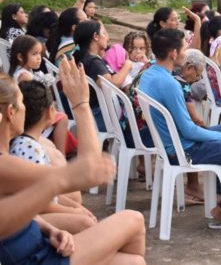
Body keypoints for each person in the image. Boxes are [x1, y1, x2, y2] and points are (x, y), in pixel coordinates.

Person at [0, 59, 147, 264]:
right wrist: (81, 104)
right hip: (33, 258)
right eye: (21, 102)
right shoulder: (5, 164)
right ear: (10, 112)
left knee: (133, 262)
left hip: (35, 246)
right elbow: (89, 172)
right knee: (134, 220)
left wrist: (48, 228)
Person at [138, 29, 221, 228]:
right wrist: (220, 139)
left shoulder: (149, 74)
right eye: (183, 48)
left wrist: (220, 135)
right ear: (173, 53)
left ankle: (218, 196)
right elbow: (189, 130)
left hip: (173, 144)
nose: (185, 52)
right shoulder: (169, 84)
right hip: (186, 150)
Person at [13, 81, 96, 234]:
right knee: (86, 223)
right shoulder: (31, 148)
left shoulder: (27, 144)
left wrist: (76, 208)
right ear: (51, 111)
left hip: (38, 209)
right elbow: (41, 201)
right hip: (35, 215)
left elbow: (49, 193)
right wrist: (73, 211)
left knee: (79, 206)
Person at [72, 21, 134, 132]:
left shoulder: (81, 56)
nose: (107, 38)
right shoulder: (93, 62)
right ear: (95, 36)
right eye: (104, 34)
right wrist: (127, 66)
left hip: (95, 112)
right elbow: (110, 84)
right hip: (101, 115)